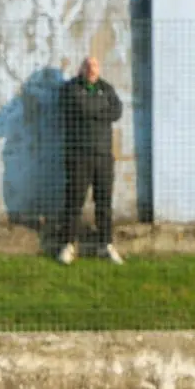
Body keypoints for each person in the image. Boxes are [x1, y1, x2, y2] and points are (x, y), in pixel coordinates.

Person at [57, 56, 124, 266]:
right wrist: (100, 109)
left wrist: (94, 109)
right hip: (79, 156)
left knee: (104, 202)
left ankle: (105, 244)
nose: (92, 69)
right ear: (81, 68)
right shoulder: (70, 88)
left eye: (95, 65)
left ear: (99, 68)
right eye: (88, 65)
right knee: (74, 201)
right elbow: (81, 107)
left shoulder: (107, 88)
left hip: (103, 156)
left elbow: (117, 111)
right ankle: (68, 244)